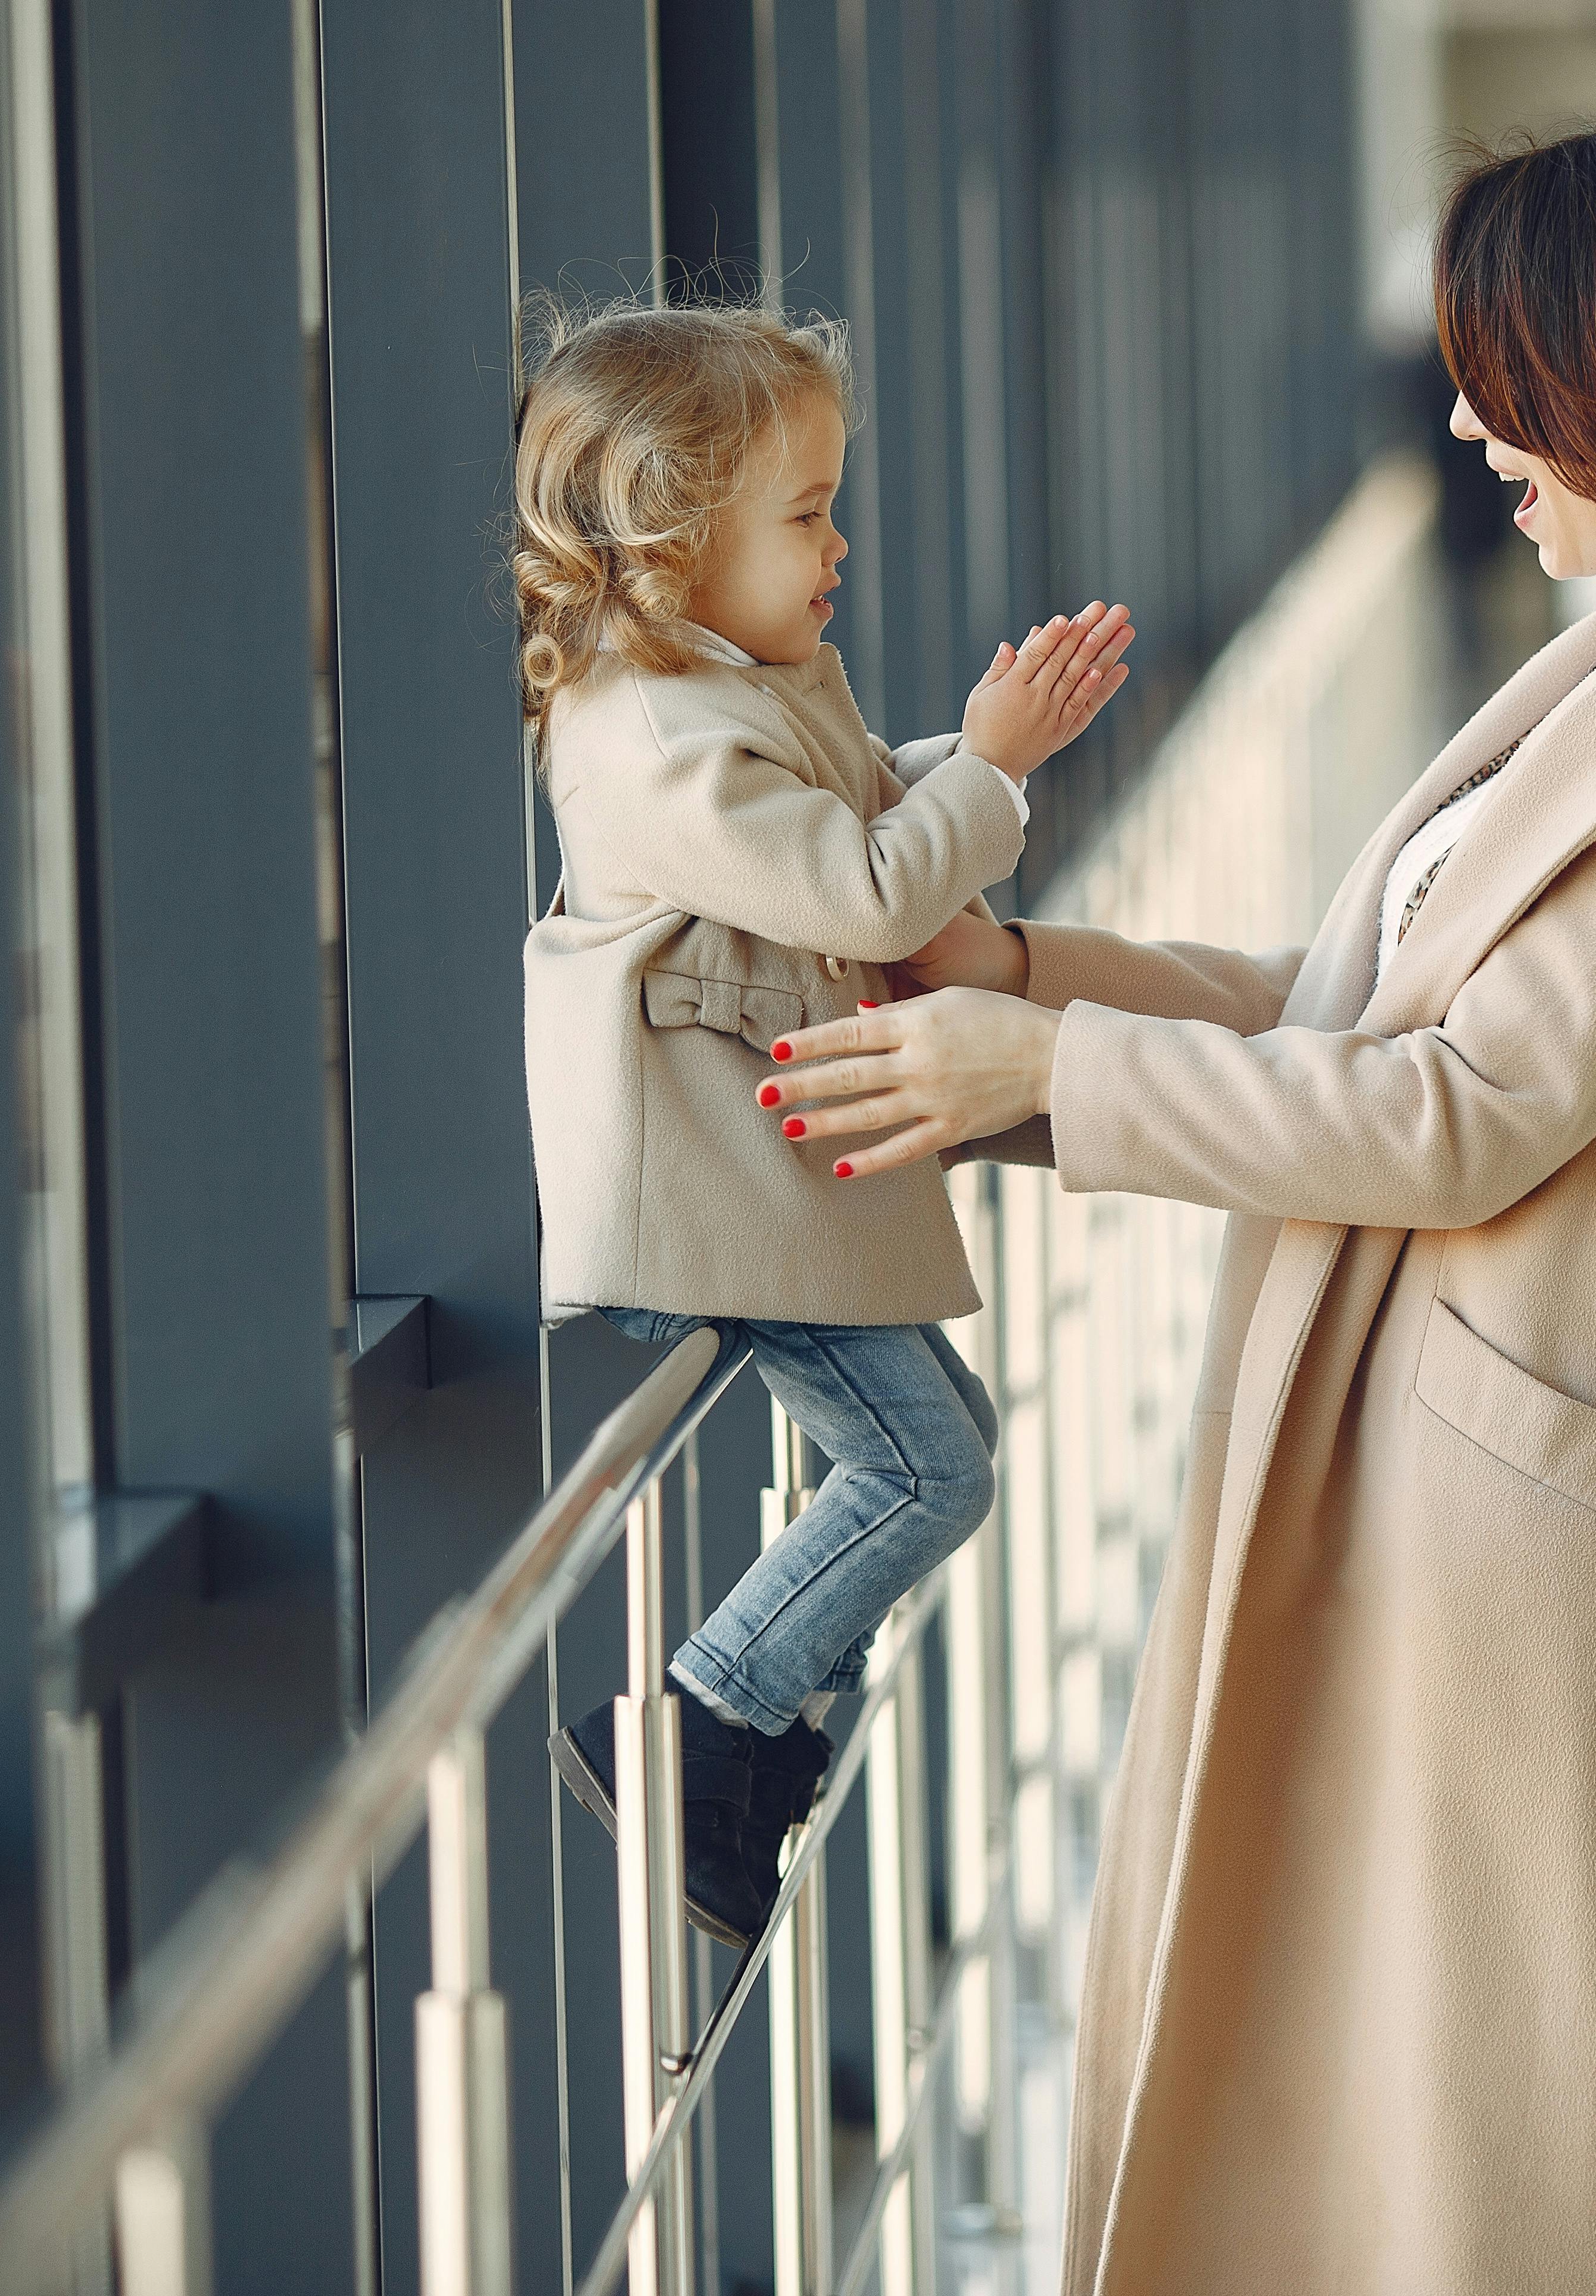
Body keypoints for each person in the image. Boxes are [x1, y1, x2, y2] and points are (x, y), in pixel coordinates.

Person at [768, 102, 1596, 2295]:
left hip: (1547, 1498)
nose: (1474, 420)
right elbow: (1344, 1005)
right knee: (1376, 2105)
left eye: (1518, 380)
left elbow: (1459, 1110)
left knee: (1500, 2151)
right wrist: (1019, 985)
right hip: (1453, 1451)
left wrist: (1055, 1074)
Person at [508, 295, 1132, 1944]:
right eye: (805, 514)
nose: (839, 543)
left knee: (946, 1451)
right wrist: (984, 774)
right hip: (720, 1180)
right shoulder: (644, 732)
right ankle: (704, 1728)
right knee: (930, 1473)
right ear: (676, 535)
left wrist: (987, 755)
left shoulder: (726, 681)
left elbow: (848, 814)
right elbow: (860, 890)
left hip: (773, 1154)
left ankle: (749, 1745)